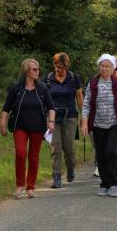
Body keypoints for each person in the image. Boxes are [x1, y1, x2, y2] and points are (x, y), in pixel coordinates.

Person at [0, 58, 56, 199]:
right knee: (20, 153)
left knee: (33, 156)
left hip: (37, 127)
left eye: (38, 69)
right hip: (20, 126)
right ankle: (20, 185)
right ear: (26, 71)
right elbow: (6, 108)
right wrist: (3, 125)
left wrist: (51, 122)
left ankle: (30, 187)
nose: (38, 72)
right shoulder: (16, 88)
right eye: (34, 69)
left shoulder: (42, 88)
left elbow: (51, 107)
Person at [81, 54, 117, 197]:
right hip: (97, 124)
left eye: (107, 66)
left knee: (111, 152)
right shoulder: (93, 83)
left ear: (112, 68)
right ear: (99, 67)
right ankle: (104, 183)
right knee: (101, 155)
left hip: (113, 124)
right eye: (102, 66)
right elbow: (86, 103)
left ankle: (114, 183)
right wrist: (84, 122)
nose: (104, 69)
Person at [42, 52, 83, 189]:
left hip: (70, 116)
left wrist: (84, 117)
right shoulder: (47, 79)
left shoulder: (73, 78)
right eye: (56, 66)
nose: (58, 69)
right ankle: (57, 176)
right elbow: (43, 99)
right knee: (55, 147)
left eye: (61, 67)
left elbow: (79, 98)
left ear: (66, 66)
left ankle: (71, 167)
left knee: (69, 148)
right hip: (53, 118)